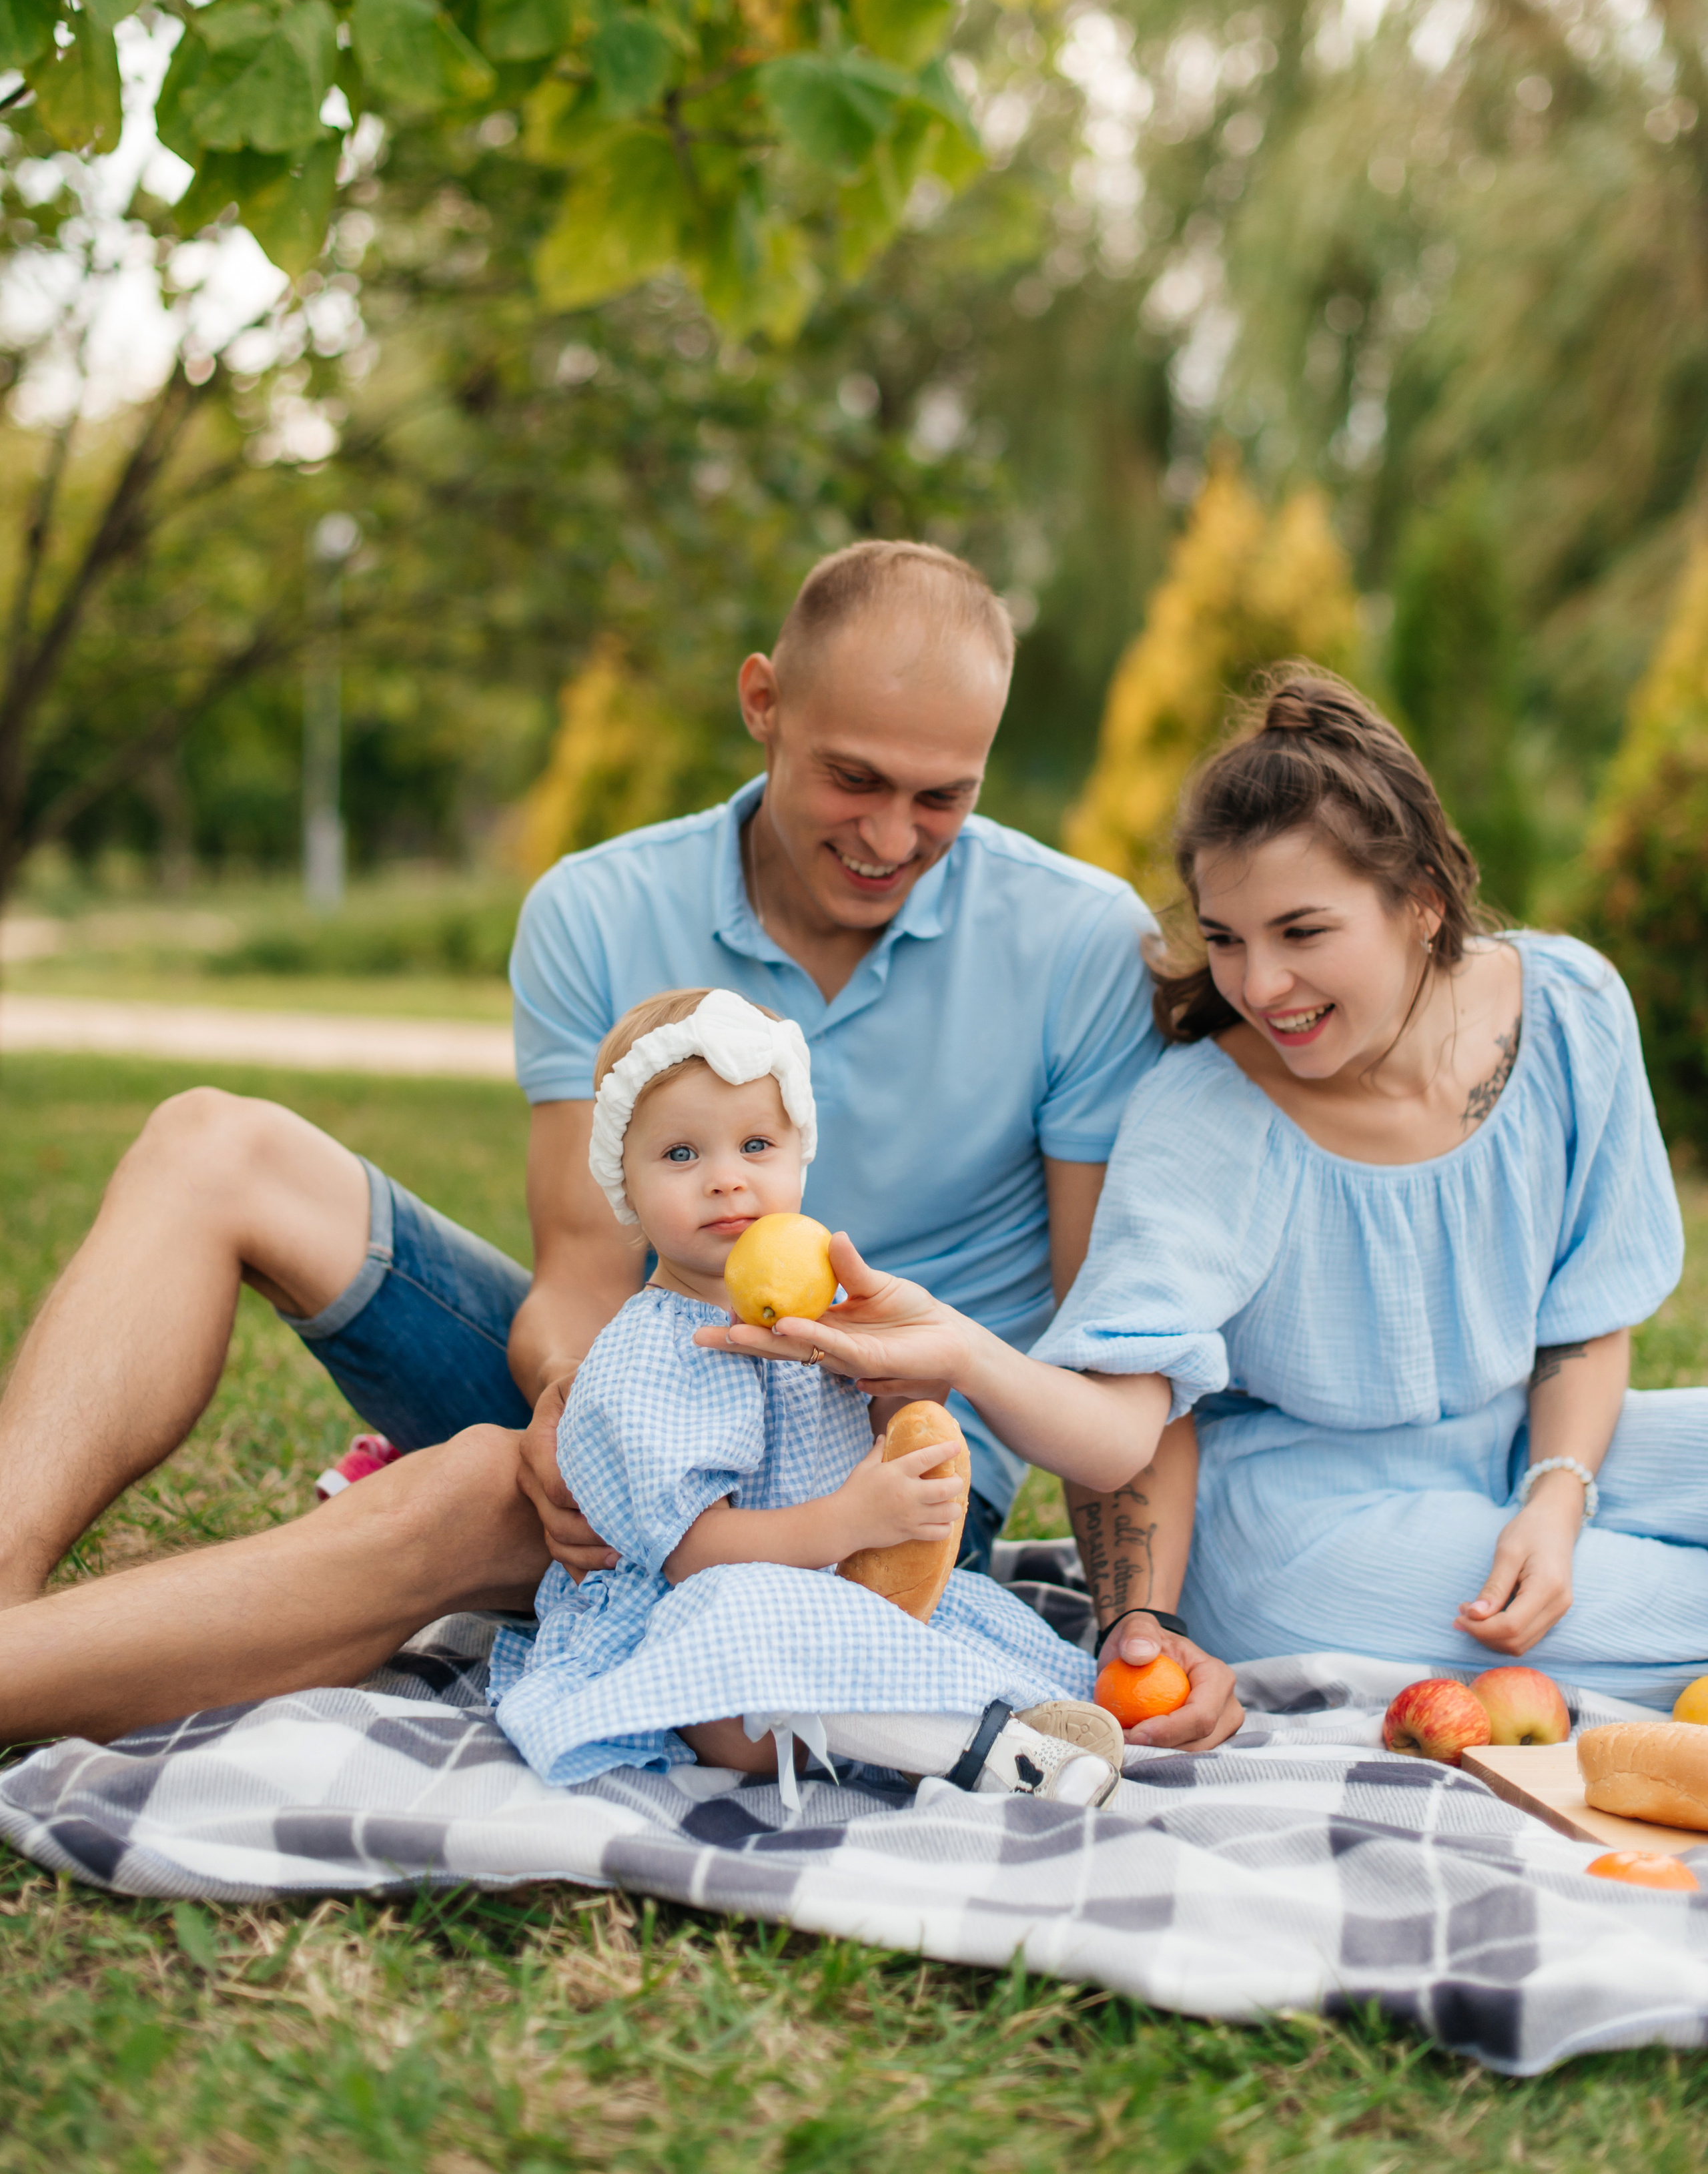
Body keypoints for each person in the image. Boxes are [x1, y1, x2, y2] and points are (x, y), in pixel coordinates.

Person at [0, 540, 1241, 1751]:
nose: (893, 835)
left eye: (943, 795)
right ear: (763, 703)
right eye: (853, 777)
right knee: (211, 1139)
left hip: (872, 1485)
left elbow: (1107, 1332)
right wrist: (573, 1417)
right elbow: (584, 1279)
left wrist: (1140, 1622)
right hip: (636, 1365)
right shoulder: (595, 909)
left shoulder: (1080, 944)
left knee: (468, 1489)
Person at [1021, 665, 1706, 1707]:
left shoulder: (1570, 1008)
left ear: (1423, 905)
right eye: (1225, 938)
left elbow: (1585, 1315)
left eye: (1301, 932)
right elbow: (1132, 1400)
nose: (1258, 985)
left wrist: (1556, 1497)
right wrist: (1140, 1635)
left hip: (1514, 1435)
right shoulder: (1207, 1114)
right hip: (1302, 1524)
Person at [490, 984, 1137, 1812]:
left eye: (756, 1144)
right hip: (695, 1629)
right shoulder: (655, 1351)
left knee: (965, 1609)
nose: (727, 1182)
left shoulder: (815, 1320)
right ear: (625, 1181)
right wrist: (850, 1523)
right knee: (744, 1618)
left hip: (834, 1588)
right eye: (682, 1155)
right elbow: (692, 1558)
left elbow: (846, 1448)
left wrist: (905, 1395)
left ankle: (1001, 1718)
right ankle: (986, 1751)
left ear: (801, 1155)